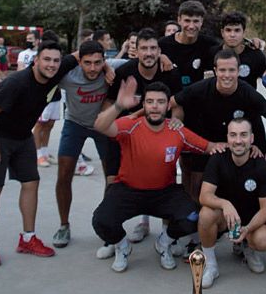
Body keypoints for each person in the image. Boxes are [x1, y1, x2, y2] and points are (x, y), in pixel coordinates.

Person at [90, 79, 226, 272]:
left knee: (192, 218)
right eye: (150, 101)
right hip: (128, 190)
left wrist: (243, 146)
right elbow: (101, 126)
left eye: (160, 102)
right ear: (143, 104)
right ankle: (123, 247)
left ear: (167, 106)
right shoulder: (130, 125)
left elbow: (209, 147)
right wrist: (119, 105)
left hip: (164, 192)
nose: (155, 106)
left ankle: (164, 243)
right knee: (101, 220)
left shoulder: (176, 130)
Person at [0, 40, 77, 266]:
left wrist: (106, 67)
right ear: (36, 60)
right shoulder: (17, 83)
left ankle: (28, 238)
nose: (52, 64)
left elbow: (82, 53)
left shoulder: (56, 71)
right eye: (46, 59)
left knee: (31, 183)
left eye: (56, 60)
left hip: (21, 134)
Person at [171, 50, 266, 209]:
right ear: (215, 71)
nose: (227, 75)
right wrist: (177, 119)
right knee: (197, 182)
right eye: (222, 70)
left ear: (238, 71)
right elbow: (174, 101)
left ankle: (248, 213)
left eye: (231, 70)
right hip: (210, 142)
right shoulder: (201, 88)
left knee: (255, 174)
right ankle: (197, 214)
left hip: (242, 142)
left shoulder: (249, 93)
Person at [104, 28, 184, 243]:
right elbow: (109, 103)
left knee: (164, 180)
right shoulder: (124, 73)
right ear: (135, 51)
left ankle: (167, 237)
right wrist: (113, 124)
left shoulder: (170, 73)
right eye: (144, 48)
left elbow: (177, 104)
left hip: (158, 136)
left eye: (153, 48)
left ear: (159, 50)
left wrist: (177, 120)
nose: (148, 53)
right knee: (113, 181)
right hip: (125, 137)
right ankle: (113, 238)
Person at [197, 117, 266, 287]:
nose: (238, 140)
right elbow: (204, 196)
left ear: (252, 138)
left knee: (263, 239)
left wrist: (247, 229)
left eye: (243, 135)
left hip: (250, 220)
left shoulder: (261, 165)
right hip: (226, 218)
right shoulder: (218, 159)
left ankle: (248, 249)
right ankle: (211, 265)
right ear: (227, 138)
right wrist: (225, 204)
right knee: (205, 214)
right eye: (233, 135)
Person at [51, 41, 115, 248]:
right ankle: (63, 225)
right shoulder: (69, 76)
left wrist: (164, 58)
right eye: (87, 63)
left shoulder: (114, 67)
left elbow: (143, 58)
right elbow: (47, 70)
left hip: (102, 125)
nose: (93, 68)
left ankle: (107, 223)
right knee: (63, 174)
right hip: (75, 124)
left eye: (98, 63)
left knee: (111, 177)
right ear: (79, 61)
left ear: (105, 61)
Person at [158, 1, 220, 87]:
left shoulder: (210, 44)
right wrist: (159, 56)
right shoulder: (163, 45)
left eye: (195, 21)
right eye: (187, 21)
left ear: (201, 21)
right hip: (170, 96)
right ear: (179, 20)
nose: (191, 26)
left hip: (196, 96)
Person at [33, 30, 65, 167]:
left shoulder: (58, 61)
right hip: (43, 97)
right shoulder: (39, 62)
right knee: (39, 125)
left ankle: (45, 152)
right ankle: (37, 154)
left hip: (56, 96)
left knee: (49, 125)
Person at [217, 11, 266, 90]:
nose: (232, 35)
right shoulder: (212, 54)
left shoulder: (256, 56)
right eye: (228, 30)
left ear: (244, 33)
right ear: (222, 32)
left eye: (237, 30)